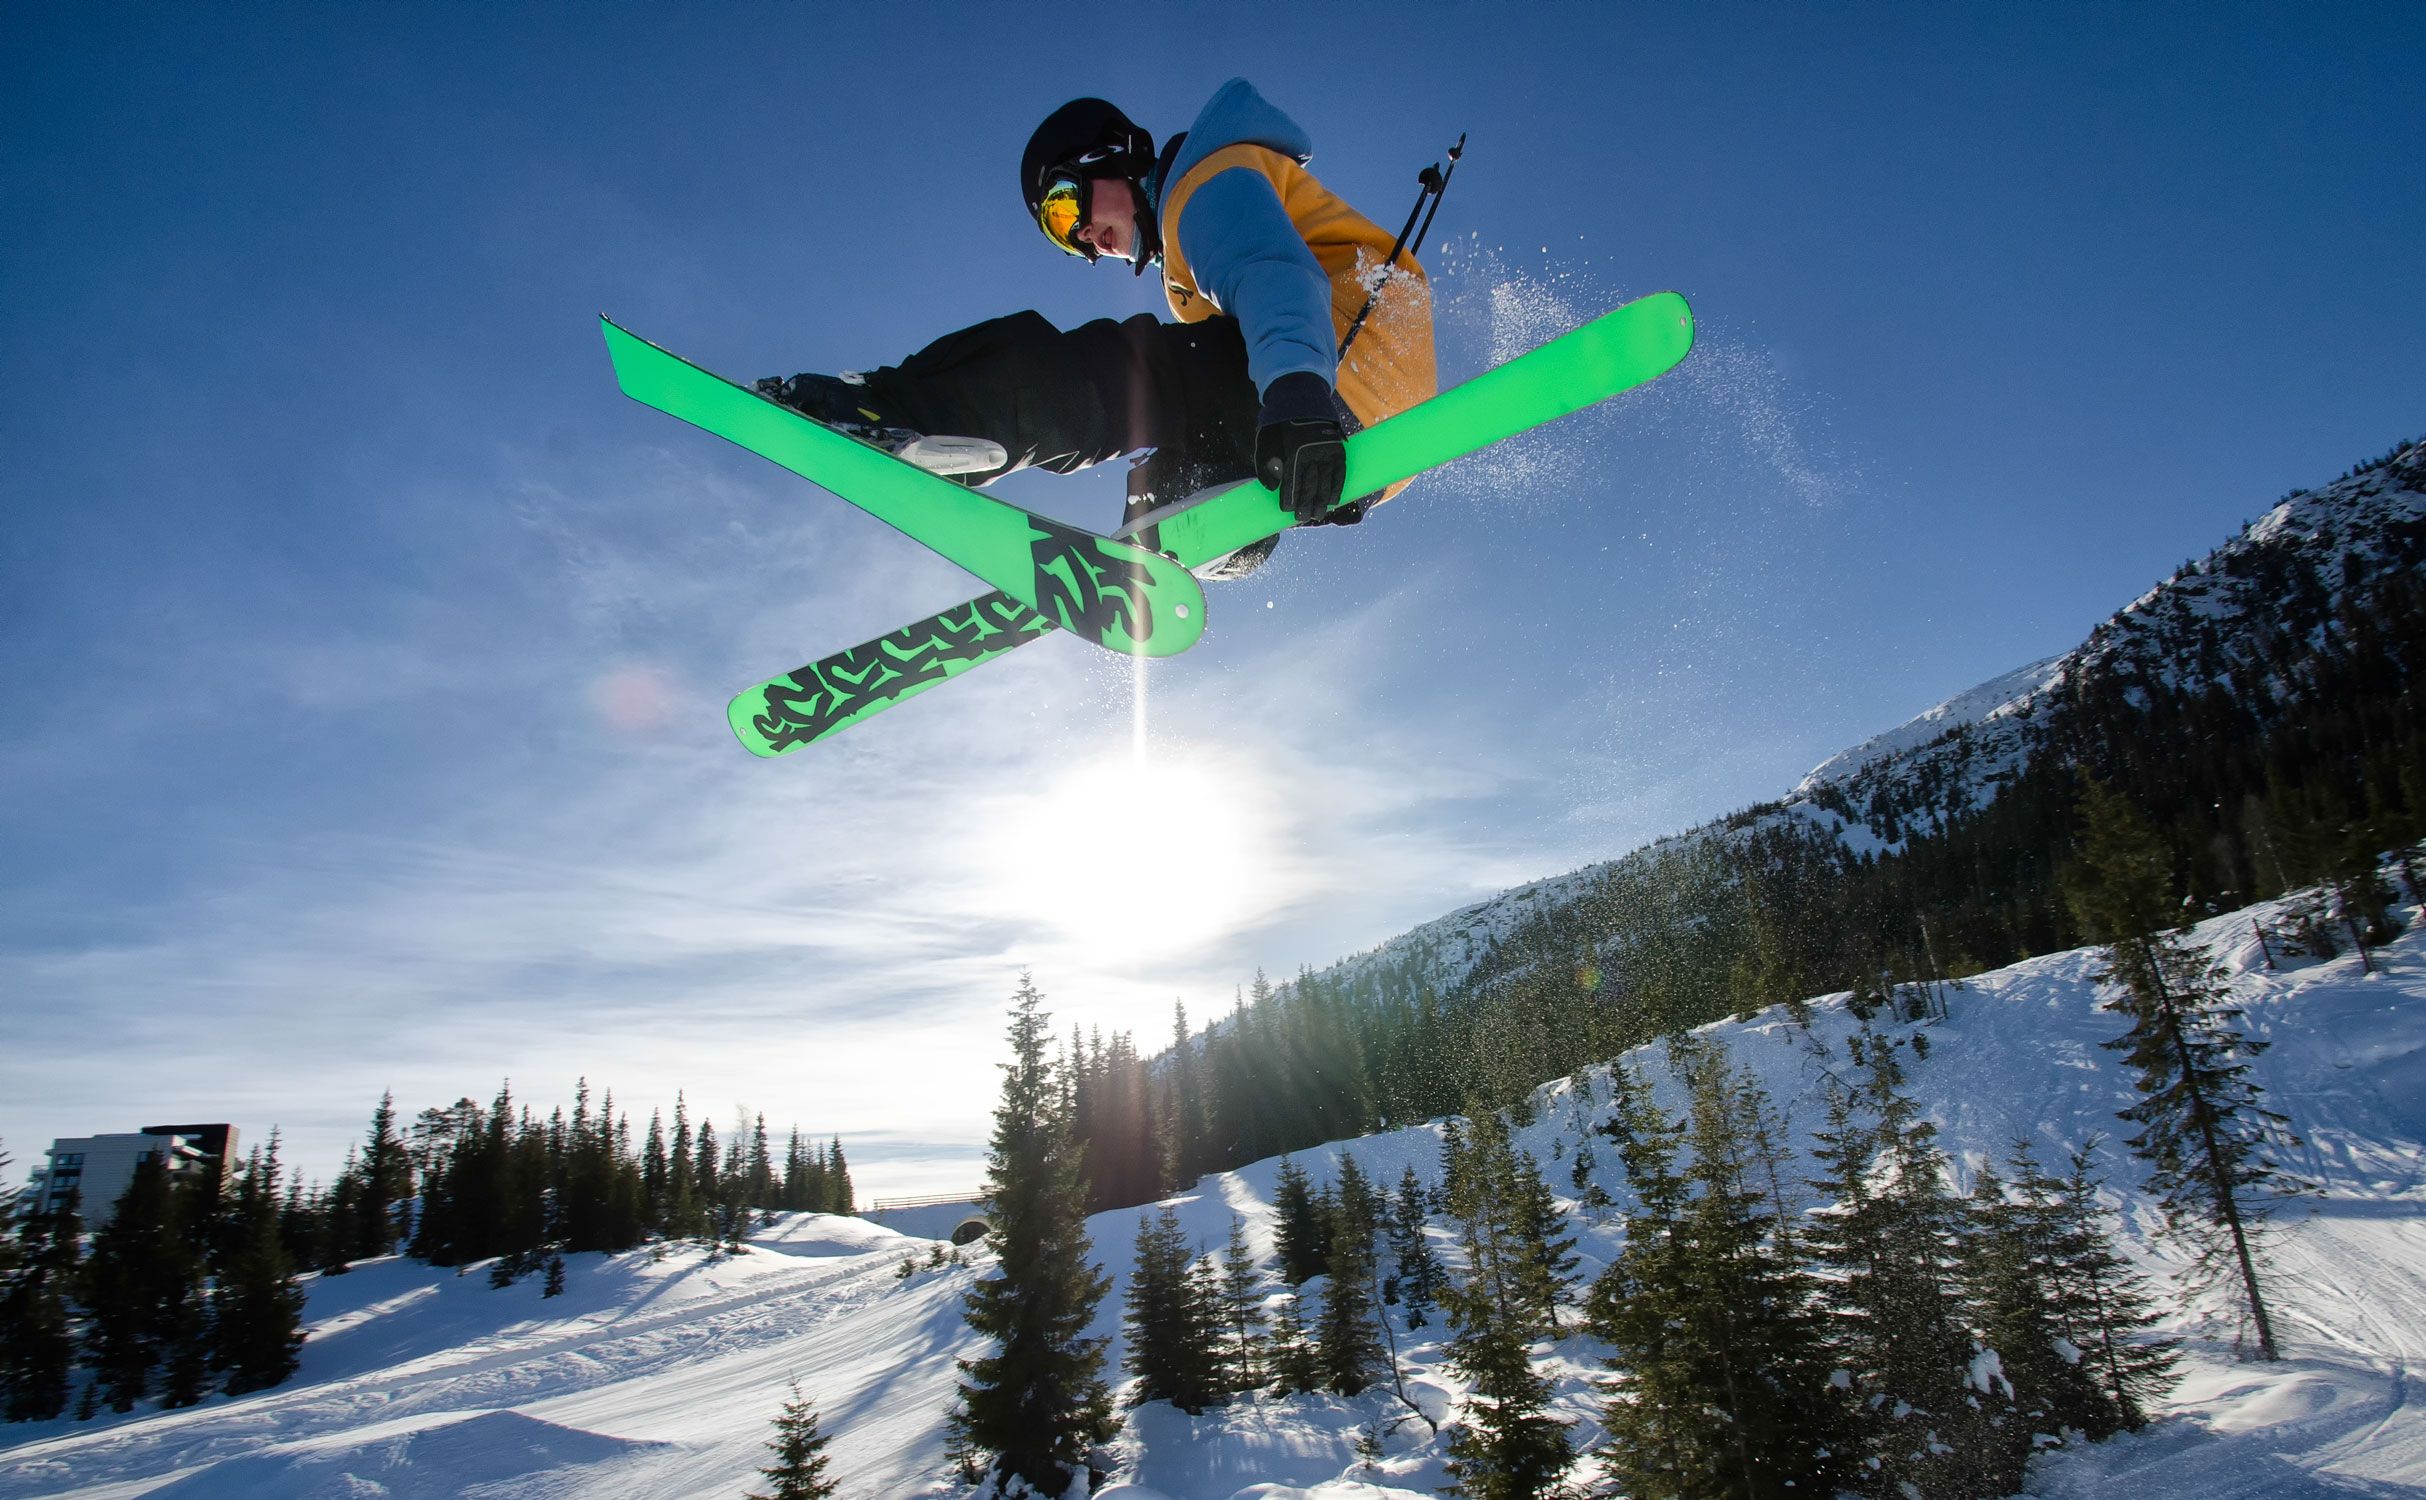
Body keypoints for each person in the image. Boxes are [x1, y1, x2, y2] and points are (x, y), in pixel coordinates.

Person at [756, 78, 1438, 579]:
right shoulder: (1194, 269)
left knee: (1125, 373)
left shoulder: (1206, 179)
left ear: (1111, 156)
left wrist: (1296, 396)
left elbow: (1273, 272)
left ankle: (891, 408)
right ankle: (1197, 529)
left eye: (1062, 204)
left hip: (1325, 379)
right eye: (1060, 236)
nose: (1082, 237)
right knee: (1168, 450)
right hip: (1365, 442)